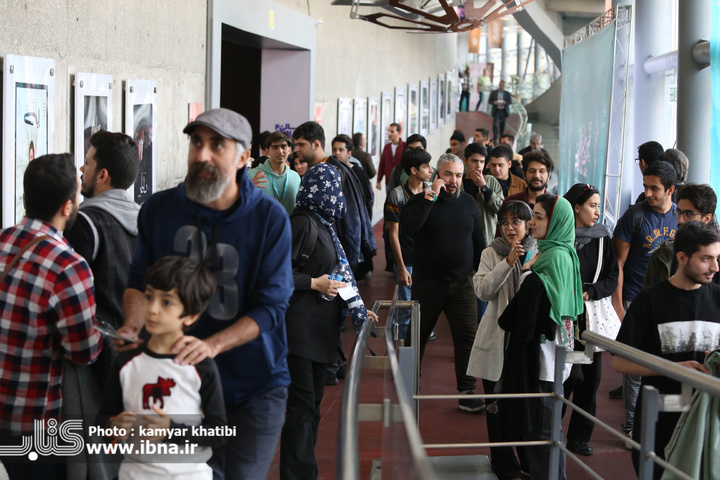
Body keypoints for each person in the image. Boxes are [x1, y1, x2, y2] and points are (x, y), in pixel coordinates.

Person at [121, 108, 293, 480]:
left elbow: (272, 306)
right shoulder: (158, 210)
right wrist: (133, 327)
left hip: (252, 386)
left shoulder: (270, 219)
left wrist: (212, 346)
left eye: (218, 145)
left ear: (245, 157)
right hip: (179, 383)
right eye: (196, 142)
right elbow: (138, 281)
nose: (202, 154)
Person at [0, 153, 102, 480]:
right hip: (32, 421)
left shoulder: (2, 242)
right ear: (68, 207)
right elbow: (83, 351)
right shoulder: (69, 267)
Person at [280, 163, 375, 480]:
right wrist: (313, 283)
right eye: (332, 187)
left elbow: (338, 274)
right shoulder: (302, 224)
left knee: (313, 407)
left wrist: (358, 306)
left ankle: (305, 471)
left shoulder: (325, 227)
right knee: (303, 408)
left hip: (320, 332)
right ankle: (297, 474)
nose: (338, 196)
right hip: (299, 332)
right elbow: (275, 274)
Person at [98, 256, 226, 480]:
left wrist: (171, 430)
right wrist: (112, 425)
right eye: (149, 297)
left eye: (166, 302)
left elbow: (219, 432)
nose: (152, 309)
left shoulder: (201, 367)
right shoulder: (125, 362)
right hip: (133, 474)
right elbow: (103, 418)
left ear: (190, 316)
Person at [614, 221, 720, 479]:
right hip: (661, 414)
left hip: (708, 417)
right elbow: (620, 362)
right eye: (706, 259)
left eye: (717, 258)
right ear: (682, 258)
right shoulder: (649, 300)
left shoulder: (718, 298)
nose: (715, 267)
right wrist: (670, 367)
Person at [63, 130, 141, 480]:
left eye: (88, 161)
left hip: (97, 364)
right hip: (141, 361)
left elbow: (72, 298)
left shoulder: (85, 223)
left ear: (103, 175)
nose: (82, 168)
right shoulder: (147, 221)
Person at [497, 194, 583, 480]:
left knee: (543, 437)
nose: (532, 223)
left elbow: (532, 312)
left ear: (556, 221)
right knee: (541, 436)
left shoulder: (554, 258)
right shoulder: (559, 252)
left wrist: (528, 272)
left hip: (545, 363)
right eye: (533, 216)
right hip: (549, 361)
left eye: (540, 217)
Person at [401, 153, 486, 412]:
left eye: (458, 175)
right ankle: (407, 386)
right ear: (437, 174)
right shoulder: (420, 201)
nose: (453, 180)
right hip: (428, 282)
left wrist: (480, 275)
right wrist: (430, 197)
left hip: (462, 283)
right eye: (448, 174)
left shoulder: (470, 203)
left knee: (467, 339)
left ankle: (467, 391)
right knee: (416, 335)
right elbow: (409, 228)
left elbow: (479, 241)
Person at [468, 200, 536, 480]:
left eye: (516, 222)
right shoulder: (490, 253)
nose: (510, 228)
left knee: (525, 408)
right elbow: (482, 291)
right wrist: (507, 264)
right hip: (497, 338)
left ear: (528, 224)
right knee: (496, 408)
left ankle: (530, 464)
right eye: (505, 222)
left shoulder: (540, 251)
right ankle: (504, 466)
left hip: (526, 343)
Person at [611, 161, 677, 437]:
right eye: (645, 187)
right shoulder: (634, 217)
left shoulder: (680, 217)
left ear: (671, 190)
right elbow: (618, 266)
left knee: (667, 365)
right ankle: (632, 424)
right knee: (635, 367)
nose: (648, 193)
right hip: (634, 301)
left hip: (670, 304)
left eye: (655, 188)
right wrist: (618, 305)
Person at [561, 184, 619, 457]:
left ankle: (579, 437)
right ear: (576, 207)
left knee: (591, 380)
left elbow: (611, 276)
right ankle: (552, 429)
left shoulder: (602, 237)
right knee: (567, 376)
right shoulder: (559, 236)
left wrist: (592, 291)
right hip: (564, 314)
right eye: (592, 206)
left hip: (591, 316)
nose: (597, 212)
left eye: (598, 206)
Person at [384, 148, 433, 341]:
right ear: (414, 170)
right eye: (426, 166)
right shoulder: (396, 196)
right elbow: (393, 234)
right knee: (405, 306)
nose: (431, 170)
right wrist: (402, 268)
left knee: (426, 303)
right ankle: (405, 346)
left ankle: (418, 339)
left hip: (428, 259)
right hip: (407, 258)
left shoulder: (431, 191)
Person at [644, 183, 717, 288]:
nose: (680, 220)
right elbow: (648, 299)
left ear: (706, 219)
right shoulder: (662, 255)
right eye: (679, 212)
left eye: (689, 214)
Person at [462, 142, 504, 250]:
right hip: (462, 240)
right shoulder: (458, 182)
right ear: (465, 161)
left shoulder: (491, 181)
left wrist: (485, 188)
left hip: (486, 241)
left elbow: (502, 210)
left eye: (482, 161)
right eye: (474, 161)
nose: (478, 165)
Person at [249, 130, 301, 216]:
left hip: (290, 227)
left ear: (289, 150)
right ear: (267, 151)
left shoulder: (295, 177)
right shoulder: (252, 175)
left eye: (283, 146)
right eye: (275, 147)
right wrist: (247, 189)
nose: (280, 151)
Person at [376, 122, 404, 192]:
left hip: (401, 182)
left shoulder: (404, 146)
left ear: (399, 133)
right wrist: (378, 180)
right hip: (389, 182)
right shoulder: (386, 147)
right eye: (388, 131)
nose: (389, 133)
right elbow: (382, 164)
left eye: (392, 131)